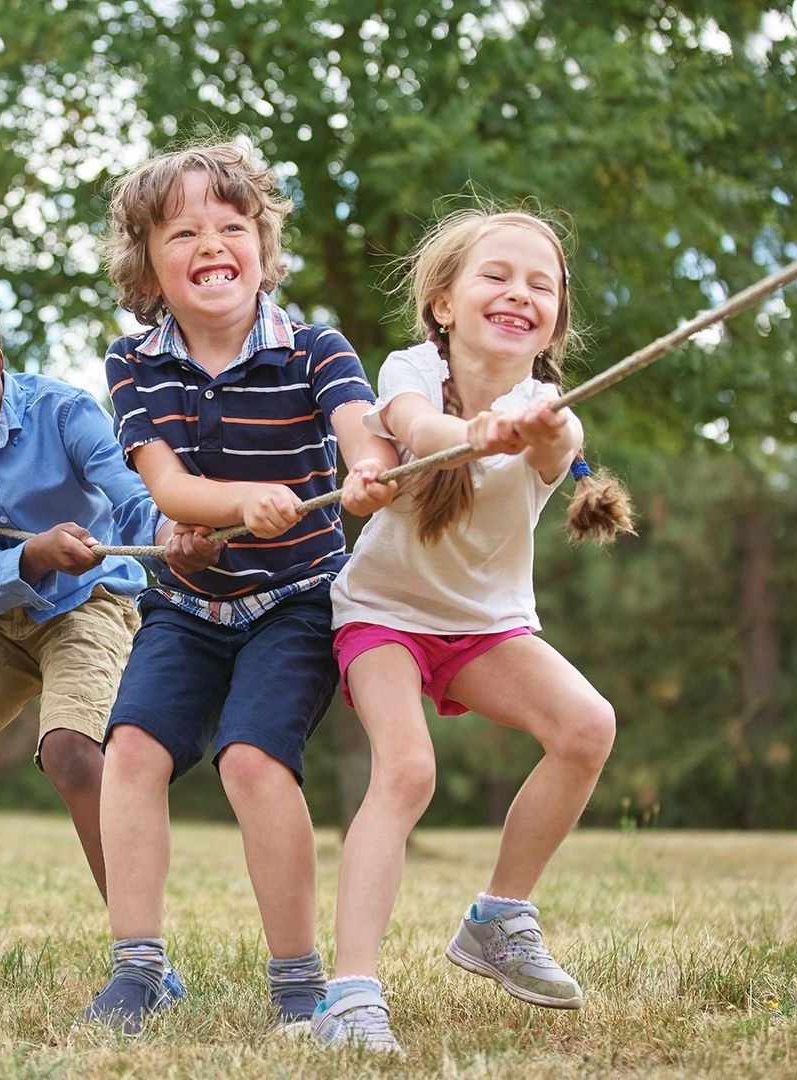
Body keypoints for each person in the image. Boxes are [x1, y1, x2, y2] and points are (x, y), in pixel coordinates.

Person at [85, 139, 399, 1036]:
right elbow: (170, 487)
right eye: (182, 231)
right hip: (186, 607)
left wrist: (372, 467)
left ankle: (298, 985)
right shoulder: (133, 361)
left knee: (253, 761)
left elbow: (359, 426)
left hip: (295, 600)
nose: (210, 244)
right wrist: (241, 501)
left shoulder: (313, 346)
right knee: (133, 754)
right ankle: (137, 969)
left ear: (262, 246)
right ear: (146, 263)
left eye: (231, 225)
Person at [319, 208, 632, 1053]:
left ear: (556, 320)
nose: (519, 294)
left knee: (586, 725)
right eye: (497, 275)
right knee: (408, 770)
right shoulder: (411, 367)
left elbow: (559, 441)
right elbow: (418, 429)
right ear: (445, 302)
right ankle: (348, 996)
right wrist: (471, 434)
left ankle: (498, 918)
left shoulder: (548, 406)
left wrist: (535, 430)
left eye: (542, 285)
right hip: (383, 615)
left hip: (485, 629)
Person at [0, 274, 209, 998]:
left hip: (90, 604)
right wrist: (31, 554)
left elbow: (133, 497)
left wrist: (173, 535)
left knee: (73, 752)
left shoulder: (67, 413)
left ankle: (141, 961)